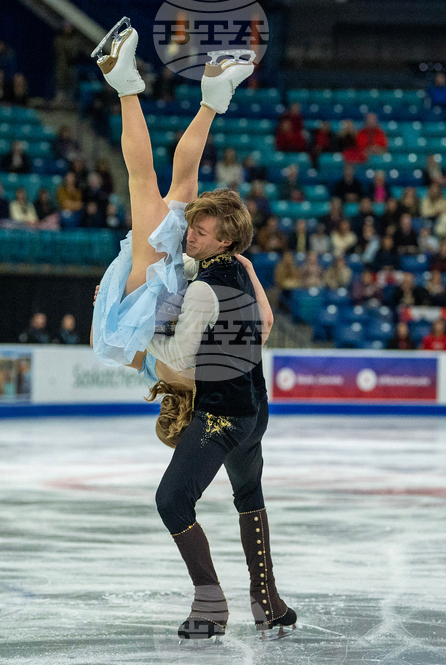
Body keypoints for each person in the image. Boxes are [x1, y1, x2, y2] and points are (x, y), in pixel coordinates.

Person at [87, 26, 295, 643]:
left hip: (157, 296)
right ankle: (166, 88)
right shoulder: (166, 368)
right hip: (159, 292)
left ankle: (162, 88)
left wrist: (247, 275)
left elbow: (252, 329)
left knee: (159, 178)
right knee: (155, 180)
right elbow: (242, 332)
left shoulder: (168, 364)